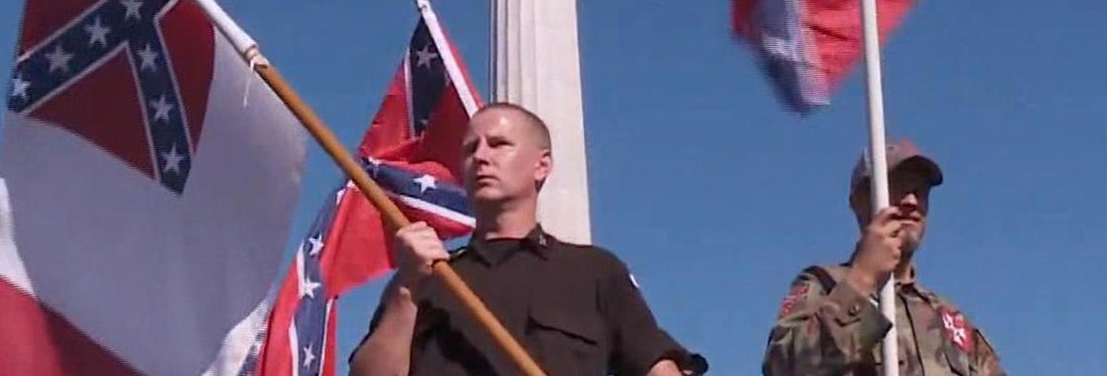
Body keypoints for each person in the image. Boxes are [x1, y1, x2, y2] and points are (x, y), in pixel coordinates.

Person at [349, 101, 707, 376]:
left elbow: (656, 365)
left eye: (499, 144)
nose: (481, 157)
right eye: (471, 149)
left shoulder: (593, 271)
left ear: (542, 165)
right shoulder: (424, 276)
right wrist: (408, 288)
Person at [761, 140, 1007, 376]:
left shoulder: (951, 321)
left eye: (920, 191)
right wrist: (863, 278)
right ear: (859, 200)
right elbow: (782, 368)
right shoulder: (824, 285)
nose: (911, 201)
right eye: (898, 187)